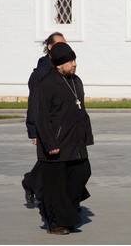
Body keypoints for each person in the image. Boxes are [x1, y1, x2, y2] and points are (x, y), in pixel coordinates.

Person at [35, 42, 94, 235]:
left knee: (82, 172)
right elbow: (41, 117)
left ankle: (65, 213)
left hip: (75, 142)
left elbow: (81, 110)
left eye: (74, 59)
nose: (74, 64)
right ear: (59, 64)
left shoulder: (75, 81)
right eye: (69, 61)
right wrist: (50, 143)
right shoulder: (46, 83)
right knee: (55, 186)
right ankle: (55, 223)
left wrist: (86, 135)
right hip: (56, 145)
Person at [22, 32, 66, 208]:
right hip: (44, 124)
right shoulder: (41, 73)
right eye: (59, 44)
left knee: (53, 158)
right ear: (49, 47)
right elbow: (34, 103)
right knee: (49, 159)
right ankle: (34, 185)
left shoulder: (60, 66)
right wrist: (32, 130)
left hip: (59, 124)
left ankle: (32, 183)